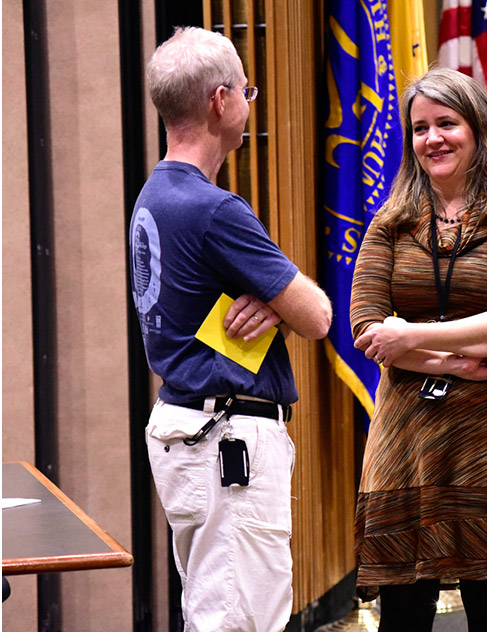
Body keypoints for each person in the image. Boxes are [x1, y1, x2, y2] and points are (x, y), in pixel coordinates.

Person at [350, 67, 487, 632]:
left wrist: (414, 338)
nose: (433, 139)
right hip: (410, 428)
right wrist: (456, 363)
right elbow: (366, 328)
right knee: (403, 603)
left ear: (478, 129)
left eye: (447, 123)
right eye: (420, 128)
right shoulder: (391, 221)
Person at [129, 27, 332, 632]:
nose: (250, 102)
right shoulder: (215, 209)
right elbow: (318, 317)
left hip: (186, 428)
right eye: (249, 90)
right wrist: (284, 305)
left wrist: (269, 306)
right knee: (242, 623)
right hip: (227, 445)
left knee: (214, 614)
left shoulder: (154, 197)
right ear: (221, 101)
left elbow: (187, 318)